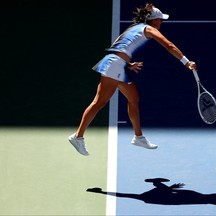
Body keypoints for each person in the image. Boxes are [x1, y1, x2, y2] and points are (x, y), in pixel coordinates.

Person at [68, 3, 197, 156]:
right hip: (114, 65)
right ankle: (78, 136)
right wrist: (186, 62)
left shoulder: (133, 28)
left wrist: (128, 64)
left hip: (117, 65)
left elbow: (119, 47)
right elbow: (168, 45)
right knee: (99, 102)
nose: (161, 22)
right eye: (160, 20)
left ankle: (138, 137)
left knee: (133, 98)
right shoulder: (149, 29)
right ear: (154, 20)